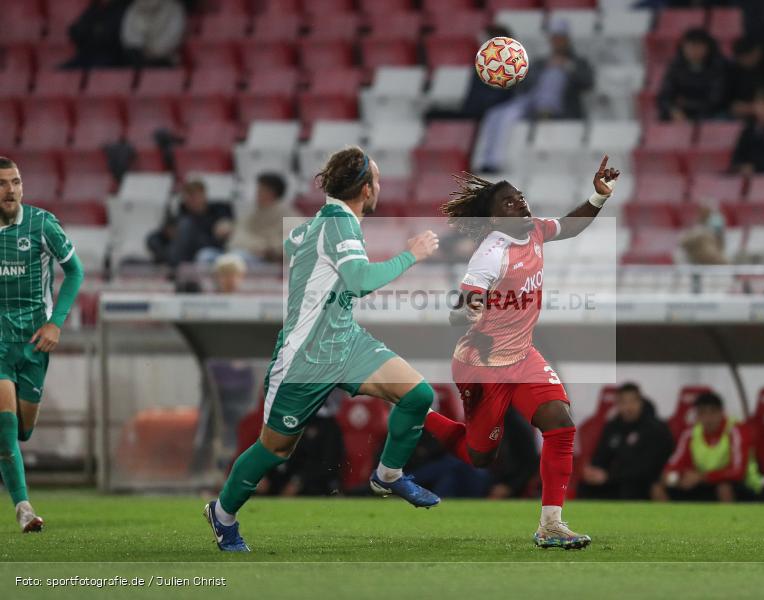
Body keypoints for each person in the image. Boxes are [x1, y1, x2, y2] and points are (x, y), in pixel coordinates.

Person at [203, 147, 443, 552]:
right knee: (275, 448)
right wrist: (411, 254)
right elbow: (360, 280)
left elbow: (302, 250)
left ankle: (387, 474)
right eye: (378, 180)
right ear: (366, 189)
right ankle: (223, 514)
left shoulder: (326, 222)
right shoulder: (338, 226)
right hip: (305, 357)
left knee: (417, 394)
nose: (380, 187)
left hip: (345, 342)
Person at [423, 156, 620, 549]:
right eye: (509, 203)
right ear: (494, 220)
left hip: (523, 355)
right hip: (482, 364)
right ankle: (417, 414)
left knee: (560, 423)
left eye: (521, 197)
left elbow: (570, 225)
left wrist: (597, 197)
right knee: (480, 456)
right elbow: (458, 312)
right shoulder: (491, 253)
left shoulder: (535, 231)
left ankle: (551, 525)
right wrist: (467, 310)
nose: (521, 204)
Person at [0, 157, 85, 532]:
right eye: (3, 183)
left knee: (22, 430)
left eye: (16, 182)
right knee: (4, 428)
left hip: (34, 343)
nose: (11, 190)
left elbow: (76, 272)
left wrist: (55, 323)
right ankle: (23, 508)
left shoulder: (41, 224)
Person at [472, 20, 594, 172]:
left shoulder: (578, 62)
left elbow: (588, 82)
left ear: (567, 39)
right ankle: (488, 161)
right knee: (496, 114)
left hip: (559, 108)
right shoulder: (541, 62)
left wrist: (566, 66)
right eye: (554, 37)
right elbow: (524, 85)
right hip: (531, 102)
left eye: (561, 37)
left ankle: (545, 111)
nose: (557, 41)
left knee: (555, 75)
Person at [579, 383, 674, 500]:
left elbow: (648, 467)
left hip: (644, 481)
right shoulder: (613, 427)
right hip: (615, 479)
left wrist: (609, 476)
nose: (628, 407)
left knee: (631, 487)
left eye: (632, 402)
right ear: (617, 405)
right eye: (623, 402)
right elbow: (601, 455)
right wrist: (593, 470)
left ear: (641, 402)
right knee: (585, 487)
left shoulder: (655, 429)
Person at [655, 391, 751, 502]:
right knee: (658, 487)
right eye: (702, 413)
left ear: (721, 413)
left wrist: (703, 477)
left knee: (724, 488)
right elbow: (673, 465)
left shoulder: (735, 431)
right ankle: (668, 519)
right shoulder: (690, 433)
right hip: (700, 482)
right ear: (697, 416)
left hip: (731, 483)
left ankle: (732, 519)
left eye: (712, 413)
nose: (707, 418)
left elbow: (738, 471)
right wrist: (675, 478)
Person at [656, 28, 728, 122]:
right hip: (681, 114)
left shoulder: (718, 67)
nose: (693, 51)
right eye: (689, 47)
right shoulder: (676, 67)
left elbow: (716, 100)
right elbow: (665, 96)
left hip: (709, 114)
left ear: (708, 47)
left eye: (697, 47)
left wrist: (686, 103)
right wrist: (673, 110)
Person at [228, 173, 300, 264]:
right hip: (248, 254)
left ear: (271, 193)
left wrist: (271, 250)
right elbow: (238, 236)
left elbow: (295, 243)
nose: (257, 193)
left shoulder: (288, 214)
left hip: (270, 262)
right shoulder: (253, 213)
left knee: (235, 259)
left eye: (260, 190)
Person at [167, 180, 234, 267]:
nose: (192, 200)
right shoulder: (182, 213)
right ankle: (175, 267)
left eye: (195, 196)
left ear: (204, 195)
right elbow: (161, 235)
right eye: (189, 197)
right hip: (187, 249)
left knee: (204, 254)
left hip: (211, 247)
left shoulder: (219, 210)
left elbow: (226, 229)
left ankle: (176, 268)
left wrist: (225, 227)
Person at [62, 0, 129, 69]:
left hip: (112, 59)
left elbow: (109, 37)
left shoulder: (124, 8)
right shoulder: (95, 8)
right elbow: (75, 31)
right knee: (62, 71)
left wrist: (92, 33)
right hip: (86, 55)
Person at [121, 0, 187, 68]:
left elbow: (173, 37)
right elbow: (129, 38)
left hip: (165, 61)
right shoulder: (133, 8)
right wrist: (140, 49)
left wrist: (154, 51)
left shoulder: (174, 9)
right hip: (137, 60)